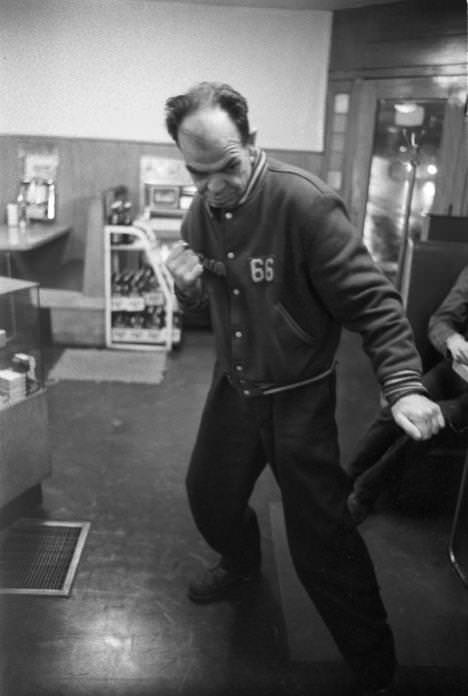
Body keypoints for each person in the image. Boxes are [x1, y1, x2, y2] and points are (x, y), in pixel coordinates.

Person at [164, 81, 443, 696]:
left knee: (322, 542)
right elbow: (214, 303)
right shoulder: (199, 213)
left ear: (252, 141)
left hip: (299, 396)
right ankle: (241, 564)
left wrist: (403, 385)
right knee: (207, 495)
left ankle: (376, 669)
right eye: (198, 173)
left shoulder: (305, 204)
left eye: (227, 168)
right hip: (235, 388)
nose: (214, 187)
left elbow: (373, 303)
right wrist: (187, 291)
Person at [347, 264, 468, 524]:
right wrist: (452, 340)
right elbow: (441, 321)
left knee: (425, 427)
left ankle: (364, 493)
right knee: (396, 411)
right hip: (453, 372)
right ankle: (345, 478)